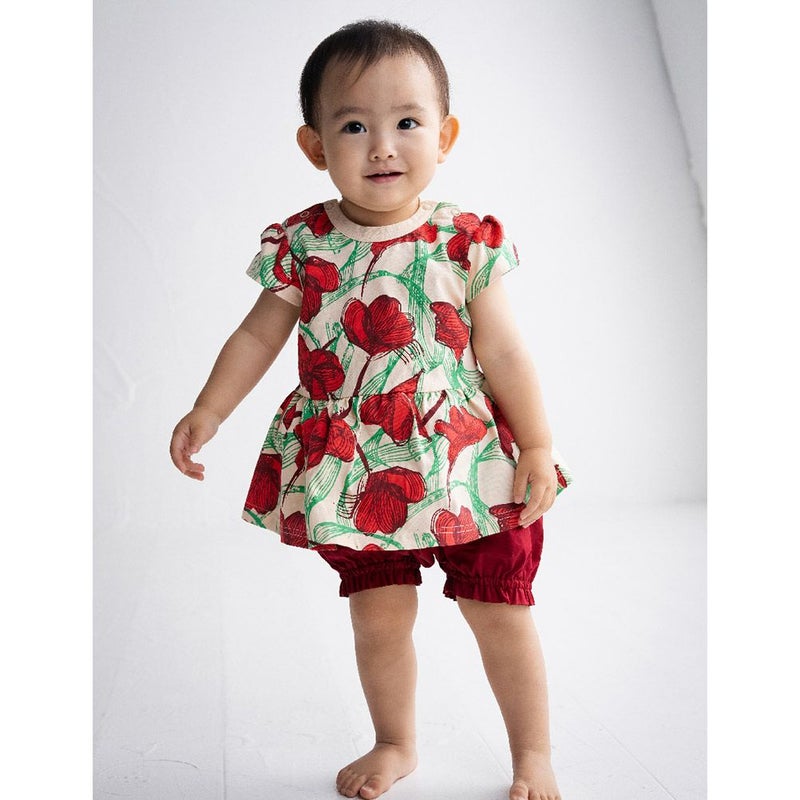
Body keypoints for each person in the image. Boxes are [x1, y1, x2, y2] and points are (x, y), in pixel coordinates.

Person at [170, 19, 571, 800]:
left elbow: (505, 352)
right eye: (354, 126)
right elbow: (257, 335)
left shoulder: (463, 239)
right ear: (315, 146)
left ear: (444, 136)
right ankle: (395, 740)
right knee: (378, 616)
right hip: (358, 467)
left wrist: (537, 443)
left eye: (407, 122)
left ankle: (534, 753)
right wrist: (208, 409)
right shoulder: (305, 243)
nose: (382, 146)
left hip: (465, 456)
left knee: (499, 608)